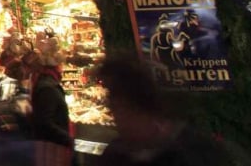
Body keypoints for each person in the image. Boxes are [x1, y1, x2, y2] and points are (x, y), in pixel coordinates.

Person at [93, 55, 235, 166]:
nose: (116, 119)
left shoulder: (195, 154)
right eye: (113, 109)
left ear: (147, 110)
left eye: (122, 110)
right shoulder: (115, 154)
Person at [22, 51, 72, 166]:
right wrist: (67, 139)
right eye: (61, 64)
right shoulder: (48, 87)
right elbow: (45, 121)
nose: (63, 68)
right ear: (57, 66)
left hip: (50, 145)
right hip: (51, 147)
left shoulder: (45, 84)